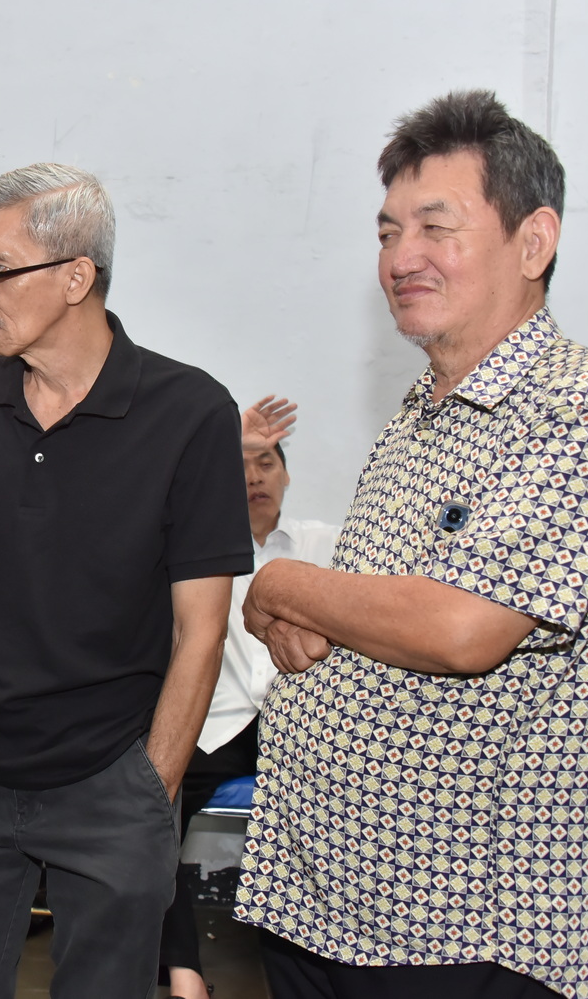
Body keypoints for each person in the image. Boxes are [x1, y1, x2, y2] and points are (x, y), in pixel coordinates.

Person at [235, 89, 588, 999]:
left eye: (435, 227)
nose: (400, 258)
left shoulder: (587, 407)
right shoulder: (417, 416)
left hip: (456, 930)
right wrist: (301, 614)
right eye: (387, 232)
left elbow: (460, 628)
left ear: (533, 242)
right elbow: (358, 620)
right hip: (325, 903)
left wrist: (282, 584)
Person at [0, 162, 252, 997]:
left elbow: (200, 629)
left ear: (76, 277)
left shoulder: (192, 413)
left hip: (112, 782)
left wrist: (153, 786)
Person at [160, 396, 339, 999]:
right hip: (221, 725)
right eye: (239, 465)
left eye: (267, 463)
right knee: (148, 813)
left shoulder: (328, 545)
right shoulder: (197, 553)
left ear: (287, 475)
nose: (255, 477)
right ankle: (183, 971)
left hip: (309, 725)